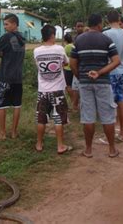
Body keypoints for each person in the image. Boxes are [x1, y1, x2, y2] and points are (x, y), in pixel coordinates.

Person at [70, 14, 120, 158]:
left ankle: (88, 150)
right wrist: (99, 72)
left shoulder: (78, 40)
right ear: (99, 25)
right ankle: (111, 149)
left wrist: (81, 77)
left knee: (88, 117)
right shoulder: (106, 39)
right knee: (107, 117)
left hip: (85, 83)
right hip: (103, 82)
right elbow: (116, 61)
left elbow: (72, 63)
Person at [33, 25, 72, 154]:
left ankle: (39, 144)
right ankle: (60, 146)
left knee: (41, 118)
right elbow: (66, 63)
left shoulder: (36, 51)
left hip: (43, 90)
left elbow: (38, 67)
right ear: (52, 35)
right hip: (58, 90)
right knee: (58, 119)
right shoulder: (59, 49)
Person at [0, 13, 26, 139]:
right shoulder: (22, 38)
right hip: (18, 77)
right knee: (17, 105)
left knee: (1, 105)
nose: (4, 27)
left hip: (5, 76)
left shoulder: (6, 37)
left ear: (14, 24)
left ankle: (2, 133)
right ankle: (14, 132)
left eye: (6, 24)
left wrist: (2, 54)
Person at [103, 10, 123, 142]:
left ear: (107, 20)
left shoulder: (106, 33)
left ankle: (111, 135)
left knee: (110, 104)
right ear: (119, 19)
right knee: (121, 101)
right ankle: (122, 133)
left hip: (110, 71)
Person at [70, 21, 85, 110]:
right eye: (78, 26)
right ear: (75, 27)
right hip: (76, 65)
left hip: (83, 65)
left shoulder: (84, 37)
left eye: (81, 26)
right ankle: (75, 105)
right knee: (75, 87)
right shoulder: (75, 38)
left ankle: (78, 105)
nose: (79, 28)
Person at [63, 33, 78, 110]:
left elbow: (64, 58)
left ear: (65, 40)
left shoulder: (66, 47)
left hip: (67, 69)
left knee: (68, 86)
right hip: (75, 68)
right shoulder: (74, 46)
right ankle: (75, 102)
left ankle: (73, 102)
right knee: (75, 87)